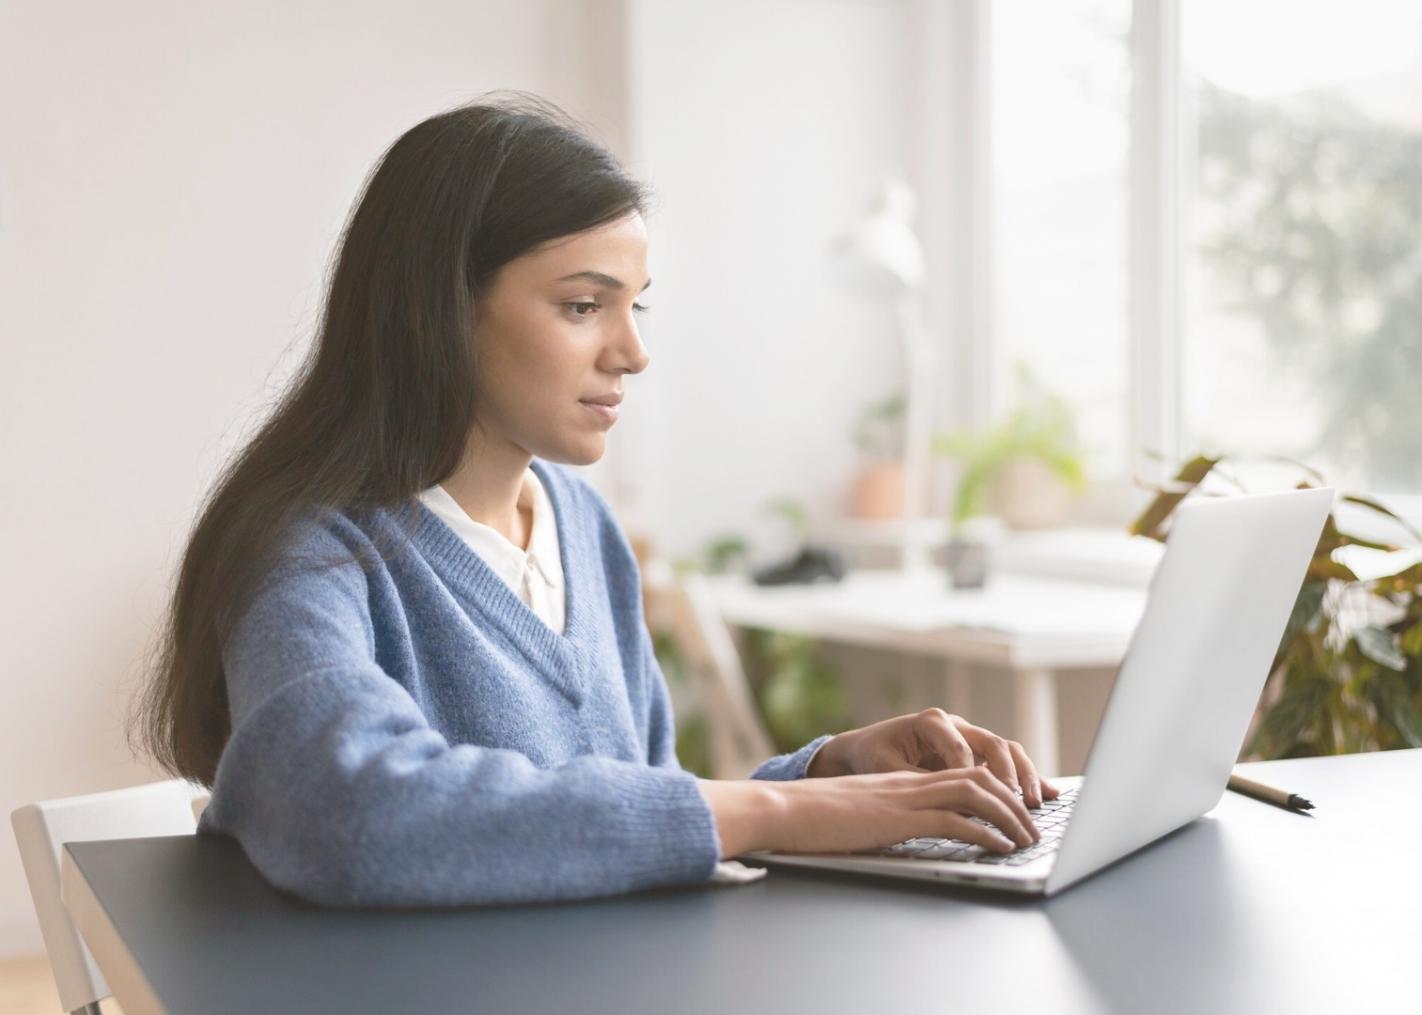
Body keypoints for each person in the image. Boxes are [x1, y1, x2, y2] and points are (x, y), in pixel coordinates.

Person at [129, 91, 1057, 909]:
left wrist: (825, 772)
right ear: (438, 311)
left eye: (635, 306)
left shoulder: (584, 527)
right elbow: (346, 814)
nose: (632, 352)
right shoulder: (307, 552)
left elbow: (635, 800)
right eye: (583, 306)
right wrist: (787, 805)